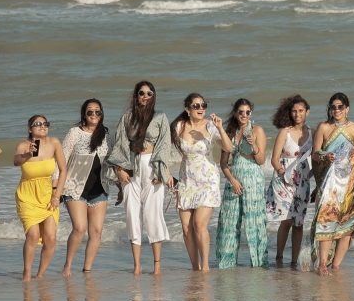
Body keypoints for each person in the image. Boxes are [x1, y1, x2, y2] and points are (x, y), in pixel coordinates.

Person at [107, 81, 181, 275]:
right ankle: (137, 265)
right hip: (131, 167)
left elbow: (165, 145)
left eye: (149, 93)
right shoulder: (127, 117)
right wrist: (120, 168)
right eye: (142, 93)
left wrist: (160, 171)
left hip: (151, 166)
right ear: (136, 95)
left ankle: (157, 264)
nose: (145, 96)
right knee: (132, 214)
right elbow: (120, 144)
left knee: (153, 214)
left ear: (153, 96)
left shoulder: (160, 117)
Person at [309, 93, 354, 274]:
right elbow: (314, 154)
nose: (336, 110)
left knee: (349, 223)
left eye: (340, 107)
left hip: (350, 183)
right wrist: (324, 156)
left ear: (347, 108)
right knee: (326, 219)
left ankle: (336, 265)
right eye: (333, 107)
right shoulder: (323, 127)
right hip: (330, 183)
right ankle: (322, 264)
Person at [59, 99, 115, 275]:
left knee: (96, 232)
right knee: (80, 228)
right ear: (84, 114)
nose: (94, 115)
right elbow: (61, 160)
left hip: (100, 190)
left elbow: (115, 162)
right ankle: (67, 266)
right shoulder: (75, 132)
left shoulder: (107, 135)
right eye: (90, 112)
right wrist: (56, 188)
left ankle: (87, 270)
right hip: (75, 188)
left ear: (102, 114)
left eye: (97, 112)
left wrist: (120, 186)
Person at [172, 93, 226, 271]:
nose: (201, 108)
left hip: (207, 180)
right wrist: (164, 173)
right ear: (188, 109)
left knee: (199, 224)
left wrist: (220, 128)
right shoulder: (179, 126)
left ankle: (205, 267)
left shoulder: (210, 126)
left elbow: (228, 147)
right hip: (187, 180)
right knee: (187, 228)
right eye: (196, 106)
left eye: (203, 105)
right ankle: (195, 267)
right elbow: (165, 150)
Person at [13, 115, 66, 280]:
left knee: (50, 238)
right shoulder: (23, 145)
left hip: (47, 194)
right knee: (33, 235)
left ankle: (41, 275)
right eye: (38, 124)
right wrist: (28, 155)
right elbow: (16, 161)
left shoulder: (54, 143)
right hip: (27, 195)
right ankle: (27, 273)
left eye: (45, 124)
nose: (42, 126)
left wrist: (57, 196)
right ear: (30, 128)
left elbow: (64, 170)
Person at [217, 98, 268, 268]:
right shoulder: (229, 132)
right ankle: (226, 264)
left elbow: (261, 160)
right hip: (234, 182)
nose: (244, 115)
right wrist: (232, 180)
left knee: (254, 224)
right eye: (241, 112)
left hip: (253, 180)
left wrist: (254, 147)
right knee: (229, 224)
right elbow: (223, 163)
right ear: (235, 113)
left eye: (247, 112)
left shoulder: (256, 130)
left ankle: (259, 264)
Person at [266, 94, 315, 267]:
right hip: (283, 180)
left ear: (307, 112)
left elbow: (316, 157)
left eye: (301, 110)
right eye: (294, 111)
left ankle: (294, 261)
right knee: (286, 220)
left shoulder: (312, 133)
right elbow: (274, 158)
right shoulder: (284, 132)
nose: (297, 114)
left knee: (299, 222)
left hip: (303, 181)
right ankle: (279, 257)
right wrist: (283, 174)